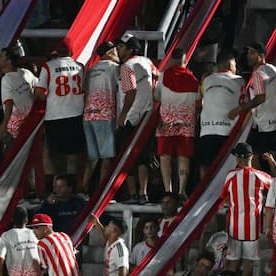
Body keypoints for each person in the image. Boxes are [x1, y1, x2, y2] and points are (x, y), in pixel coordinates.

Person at [220, 142, 272, 276]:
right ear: (251, 157)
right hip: (253, 227)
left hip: (235, 226)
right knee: (248, 263)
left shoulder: (230, 175)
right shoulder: (261, 176)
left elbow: (222, 198)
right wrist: (272, 163)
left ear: (238, 158)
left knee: (233, 263)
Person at [36, 41, 87, 184]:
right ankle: (73, 186)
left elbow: (39, 92)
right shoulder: (80, 66)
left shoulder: (49, 66)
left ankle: (57, 186)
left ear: (56, 52)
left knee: (56, 155)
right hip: (76, 113)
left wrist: (52, 99)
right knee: (76, 153)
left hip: (55, 115)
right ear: (71, 52)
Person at [116, 33, 157, 202]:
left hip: (131, 117)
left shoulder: (126, 66)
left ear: (130, 49)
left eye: (121, 47)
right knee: (143, 158)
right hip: (146, 115)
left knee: (128, 158)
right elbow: (157, 77)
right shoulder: (147, 61)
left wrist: (123, 114)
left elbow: (131, 91)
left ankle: (133, 194)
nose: (118, 50)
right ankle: (143, 194)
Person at [0, 45, 44, 197]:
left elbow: (9, 104)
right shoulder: (26, 73)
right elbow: (40, 90)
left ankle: (19, 193)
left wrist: (4, 125)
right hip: (32, 124)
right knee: (32, 158)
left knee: (14, 160)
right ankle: (34, 190)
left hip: (16, 128)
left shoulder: (6, 79)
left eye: (1, 56)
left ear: (9, 61)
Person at [155, 49, 199, 198]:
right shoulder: (193, 79)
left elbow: (156, 96)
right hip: (187, 123)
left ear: (172, 60)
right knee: (183, 157)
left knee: (165, 156)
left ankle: (168, 189)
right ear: (185, 61)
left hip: (167, 122)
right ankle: (181, 190)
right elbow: (199, 102)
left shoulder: (164, 76)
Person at [199, 50, 244, 177]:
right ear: (230, 66)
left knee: (205, 164)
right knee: (228, 165)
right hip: (228, 130)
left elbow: (201, 97)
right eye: (235, 65)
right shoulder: (239, 80)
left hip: (207, 129)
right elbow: (244, 102)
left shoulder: (206, 79)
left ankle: (203, 192)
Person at [82, 41, 120, 190]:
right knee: (106, 157)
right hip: (105, 116)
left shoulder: (91, 70)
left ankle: (83, 188)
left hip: (88, 115)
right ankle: (102, 190)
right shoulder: (114, 68)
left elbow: (85, 93)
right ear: (110, 52)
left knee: (93, 157)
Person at [240, 42, 276, 164]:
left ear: (261, 55)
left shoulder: (258, 73)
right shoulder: (274, 69)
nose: (248, 56)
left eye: (252, 53)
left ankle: (267, 181)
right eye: (248, 53)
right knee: (271, 157)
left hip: (266, 124)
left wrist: (238, 110)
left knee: (261, 157)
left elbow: (260, 98)